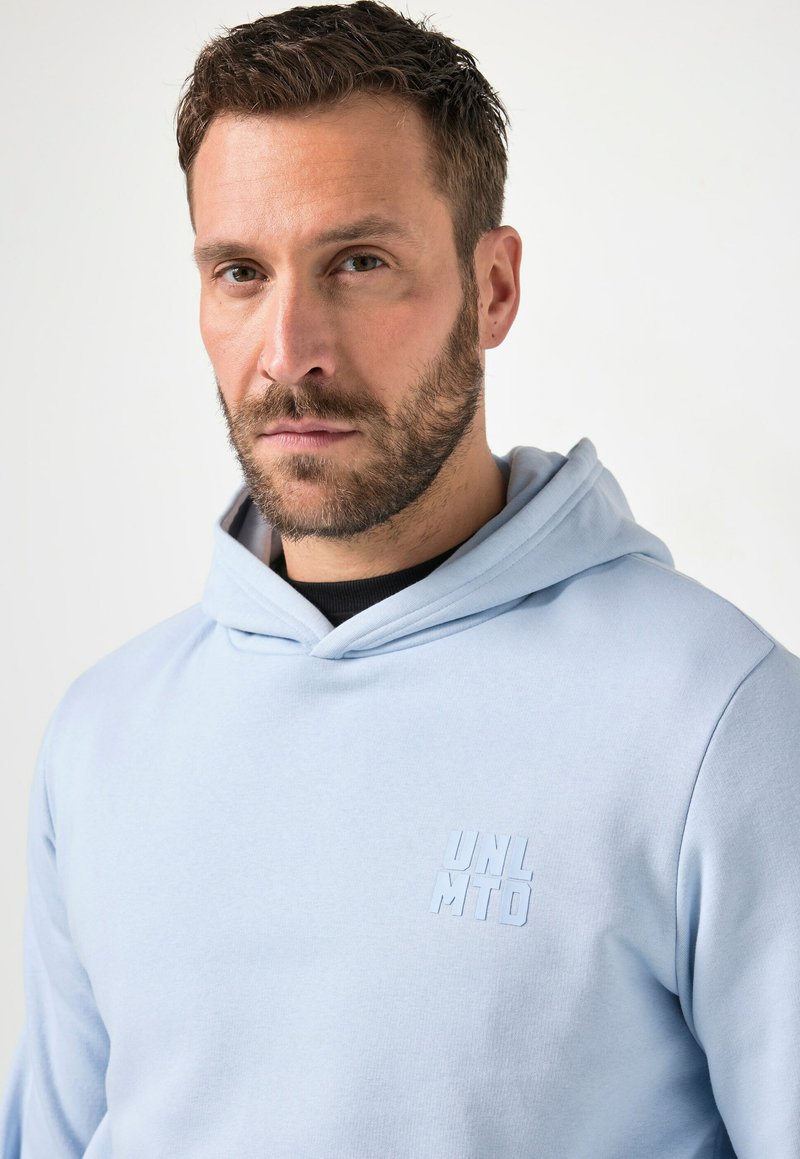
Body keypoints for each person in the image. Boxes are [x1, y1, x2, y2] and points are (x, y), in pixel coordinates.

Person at [2, 2, 799, 1155]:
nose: (289, 353)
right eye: (240, 272)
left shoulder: (713, 717)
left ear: (493, 288)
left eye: (359, 263)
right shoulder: (102, 736)